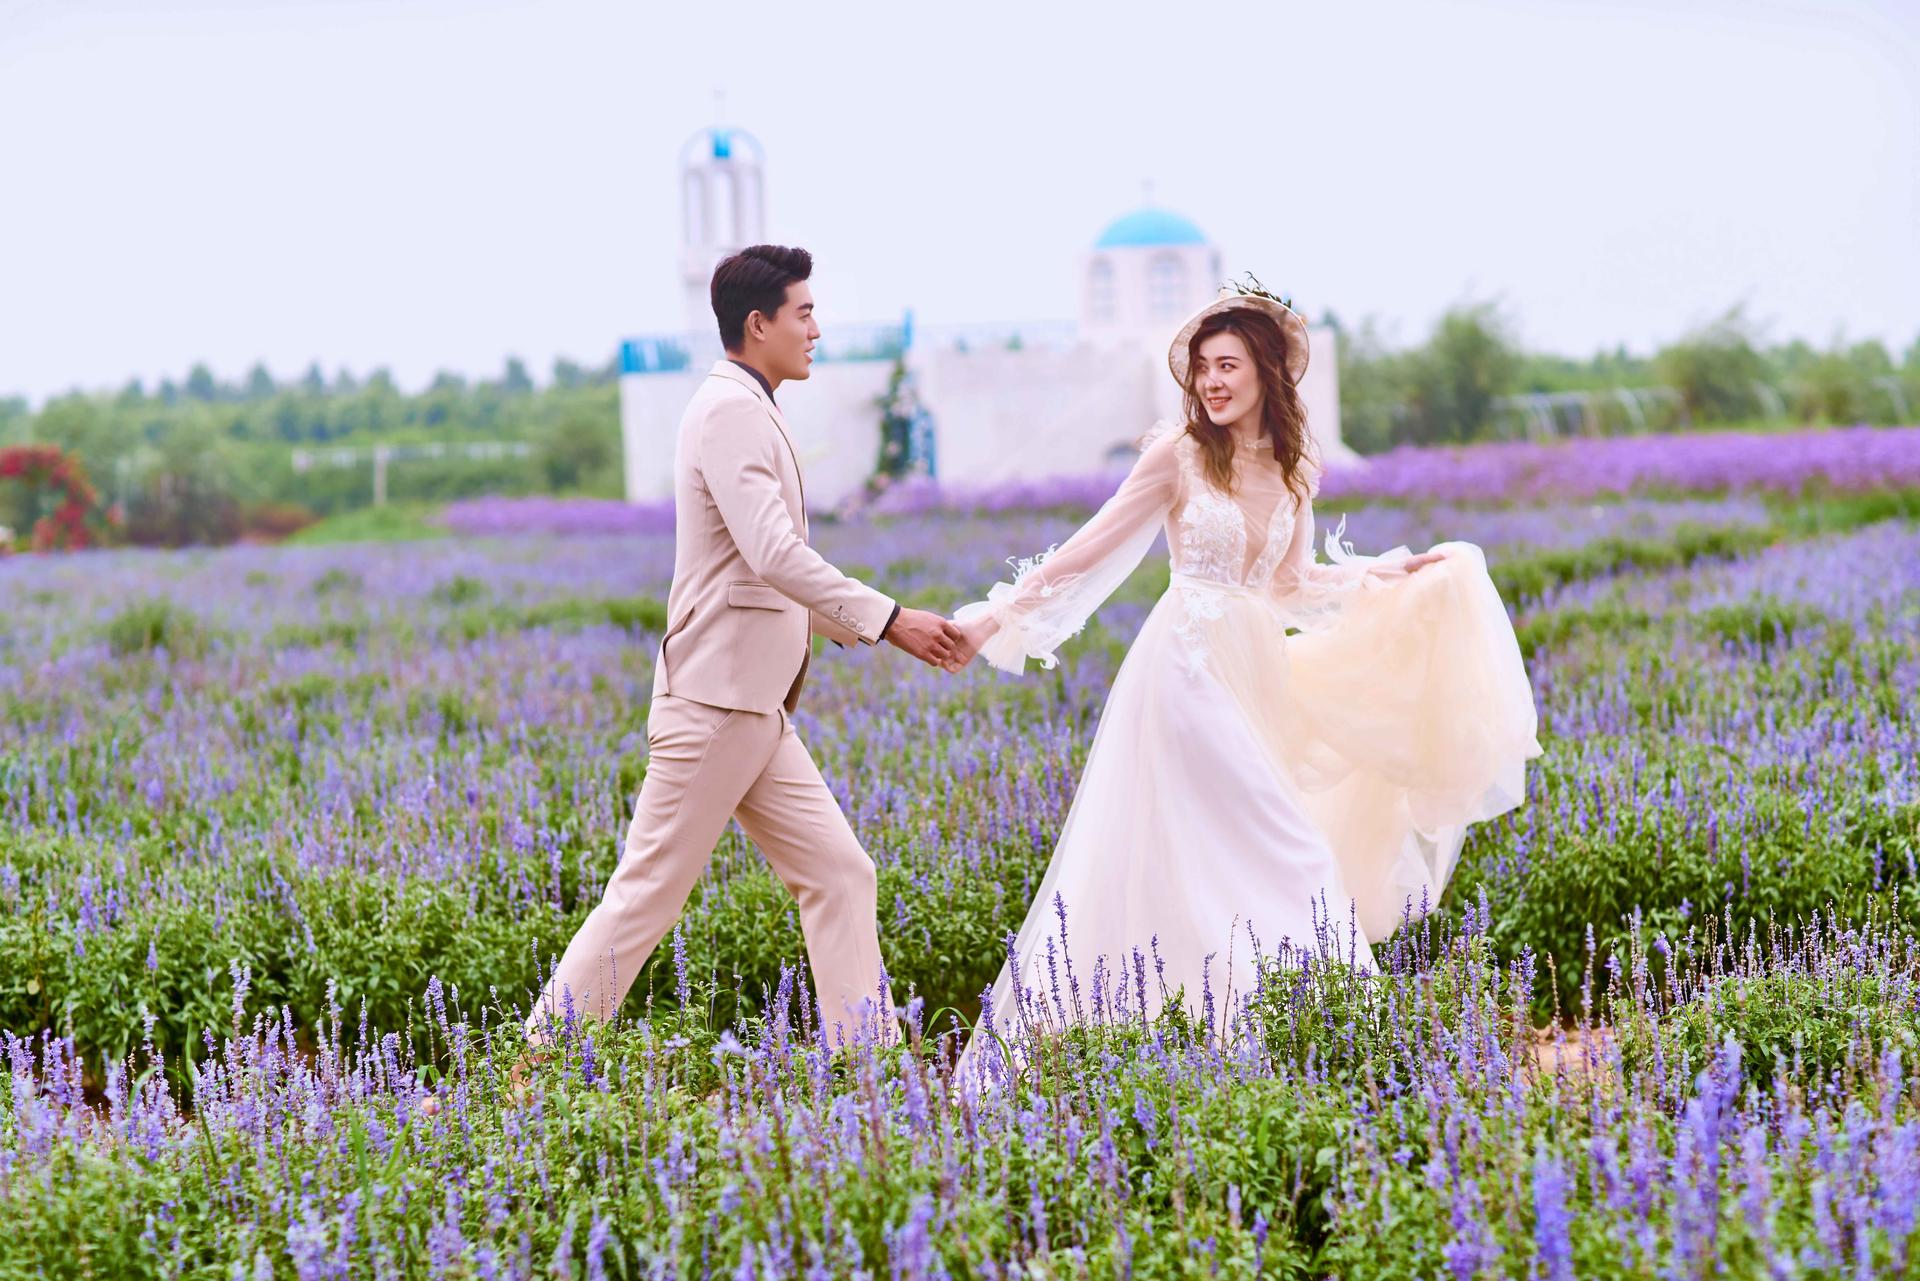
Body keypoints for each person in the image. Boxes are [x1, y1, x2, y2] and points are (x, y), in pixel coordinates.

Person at [948, 282, 1542, 1054]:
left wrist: (1383, 575)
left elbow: (1289, 585)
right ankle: (1348, 1024)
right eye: (1201, 368)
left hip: (1256, 672)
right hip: (1185, 667)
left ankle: (1224, 1027)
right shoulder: (1179, 454)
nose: (1211, 382)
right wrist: (995, 617)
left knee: (1216, 855)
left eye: (1226, 365)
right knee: (1288, 840)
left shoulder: (1296, 470)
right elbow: (1091, 546)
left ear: (1266, 369)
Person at [521, 245, 965, 1070]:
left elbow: (756, 570)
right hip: (716, 704)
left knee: (841, 874)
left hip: (755, 705)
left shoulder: (750, 406)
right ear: (758, 324)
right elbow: (772, 552)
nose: (816, 329)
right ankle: (532, 1070)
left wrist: (865, 626)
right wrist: (889, 620)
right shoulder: (729, 411)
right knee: (646, 896)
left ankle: (866, 1073)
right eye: (804, 313)